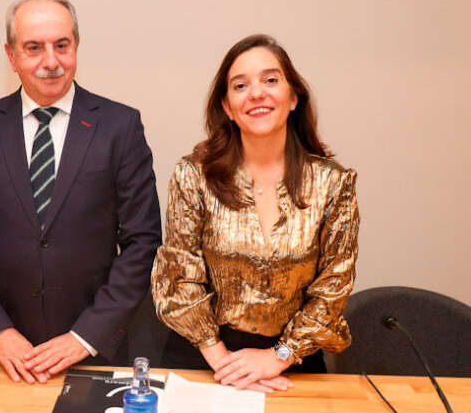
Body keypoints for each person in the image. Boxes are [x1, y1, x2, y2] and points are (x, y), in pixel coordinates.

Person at [0, 0, 161, 383]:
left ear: (76, 46)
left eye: (62, 45)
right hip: (6, 356)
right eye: (33, 48)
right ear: (11, 56)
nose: (51, 61)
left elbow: (142, 244)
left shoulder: (120, 127)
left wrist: (84, 336)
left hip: (97, 351)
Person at [152, 34, 359, 392]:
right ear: (228, 107)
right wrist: (227, 365)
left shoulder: (333, 183)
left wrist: (277, 356)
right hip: (205, 359)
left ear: (293, 97)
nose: (257, 93)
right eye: (240, 85)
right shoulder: (193, 175)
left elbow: (334, 287)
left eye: (271, 80)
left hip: (295, 362)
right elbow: (178, 277)